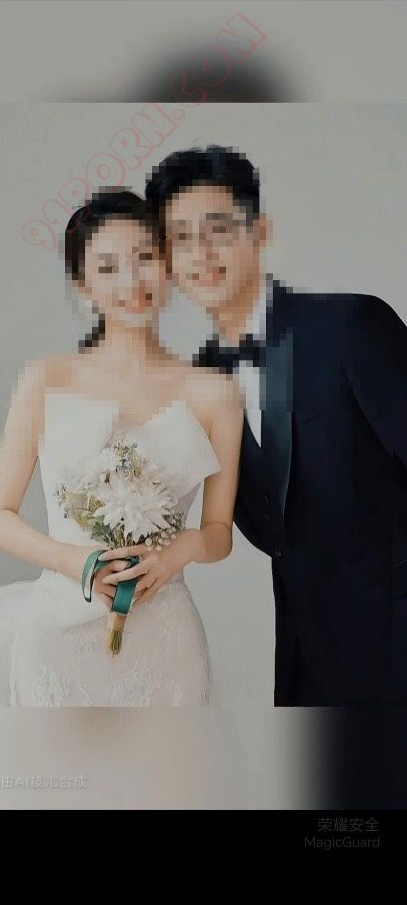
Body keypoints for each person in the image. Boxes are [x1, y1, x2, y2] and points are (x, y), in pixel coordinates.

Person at [0, 190, 243, 706]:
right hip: (59, 638)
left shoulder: (215, 393)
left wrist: (181, 549)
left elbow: (219, 533)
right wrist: (73, 560)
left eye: (145, 258)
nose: (132, 280)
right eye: (108, 268)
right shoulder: (46, 378)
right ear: (83, 285)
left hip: (166, 641)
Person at [146, 145, 407, 707]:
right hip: (306, 661)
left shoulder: (350, 325)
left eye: (218, 230)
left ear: (259, 232)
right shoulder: (199, 382)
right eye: (181, 239)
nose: (201, 254)